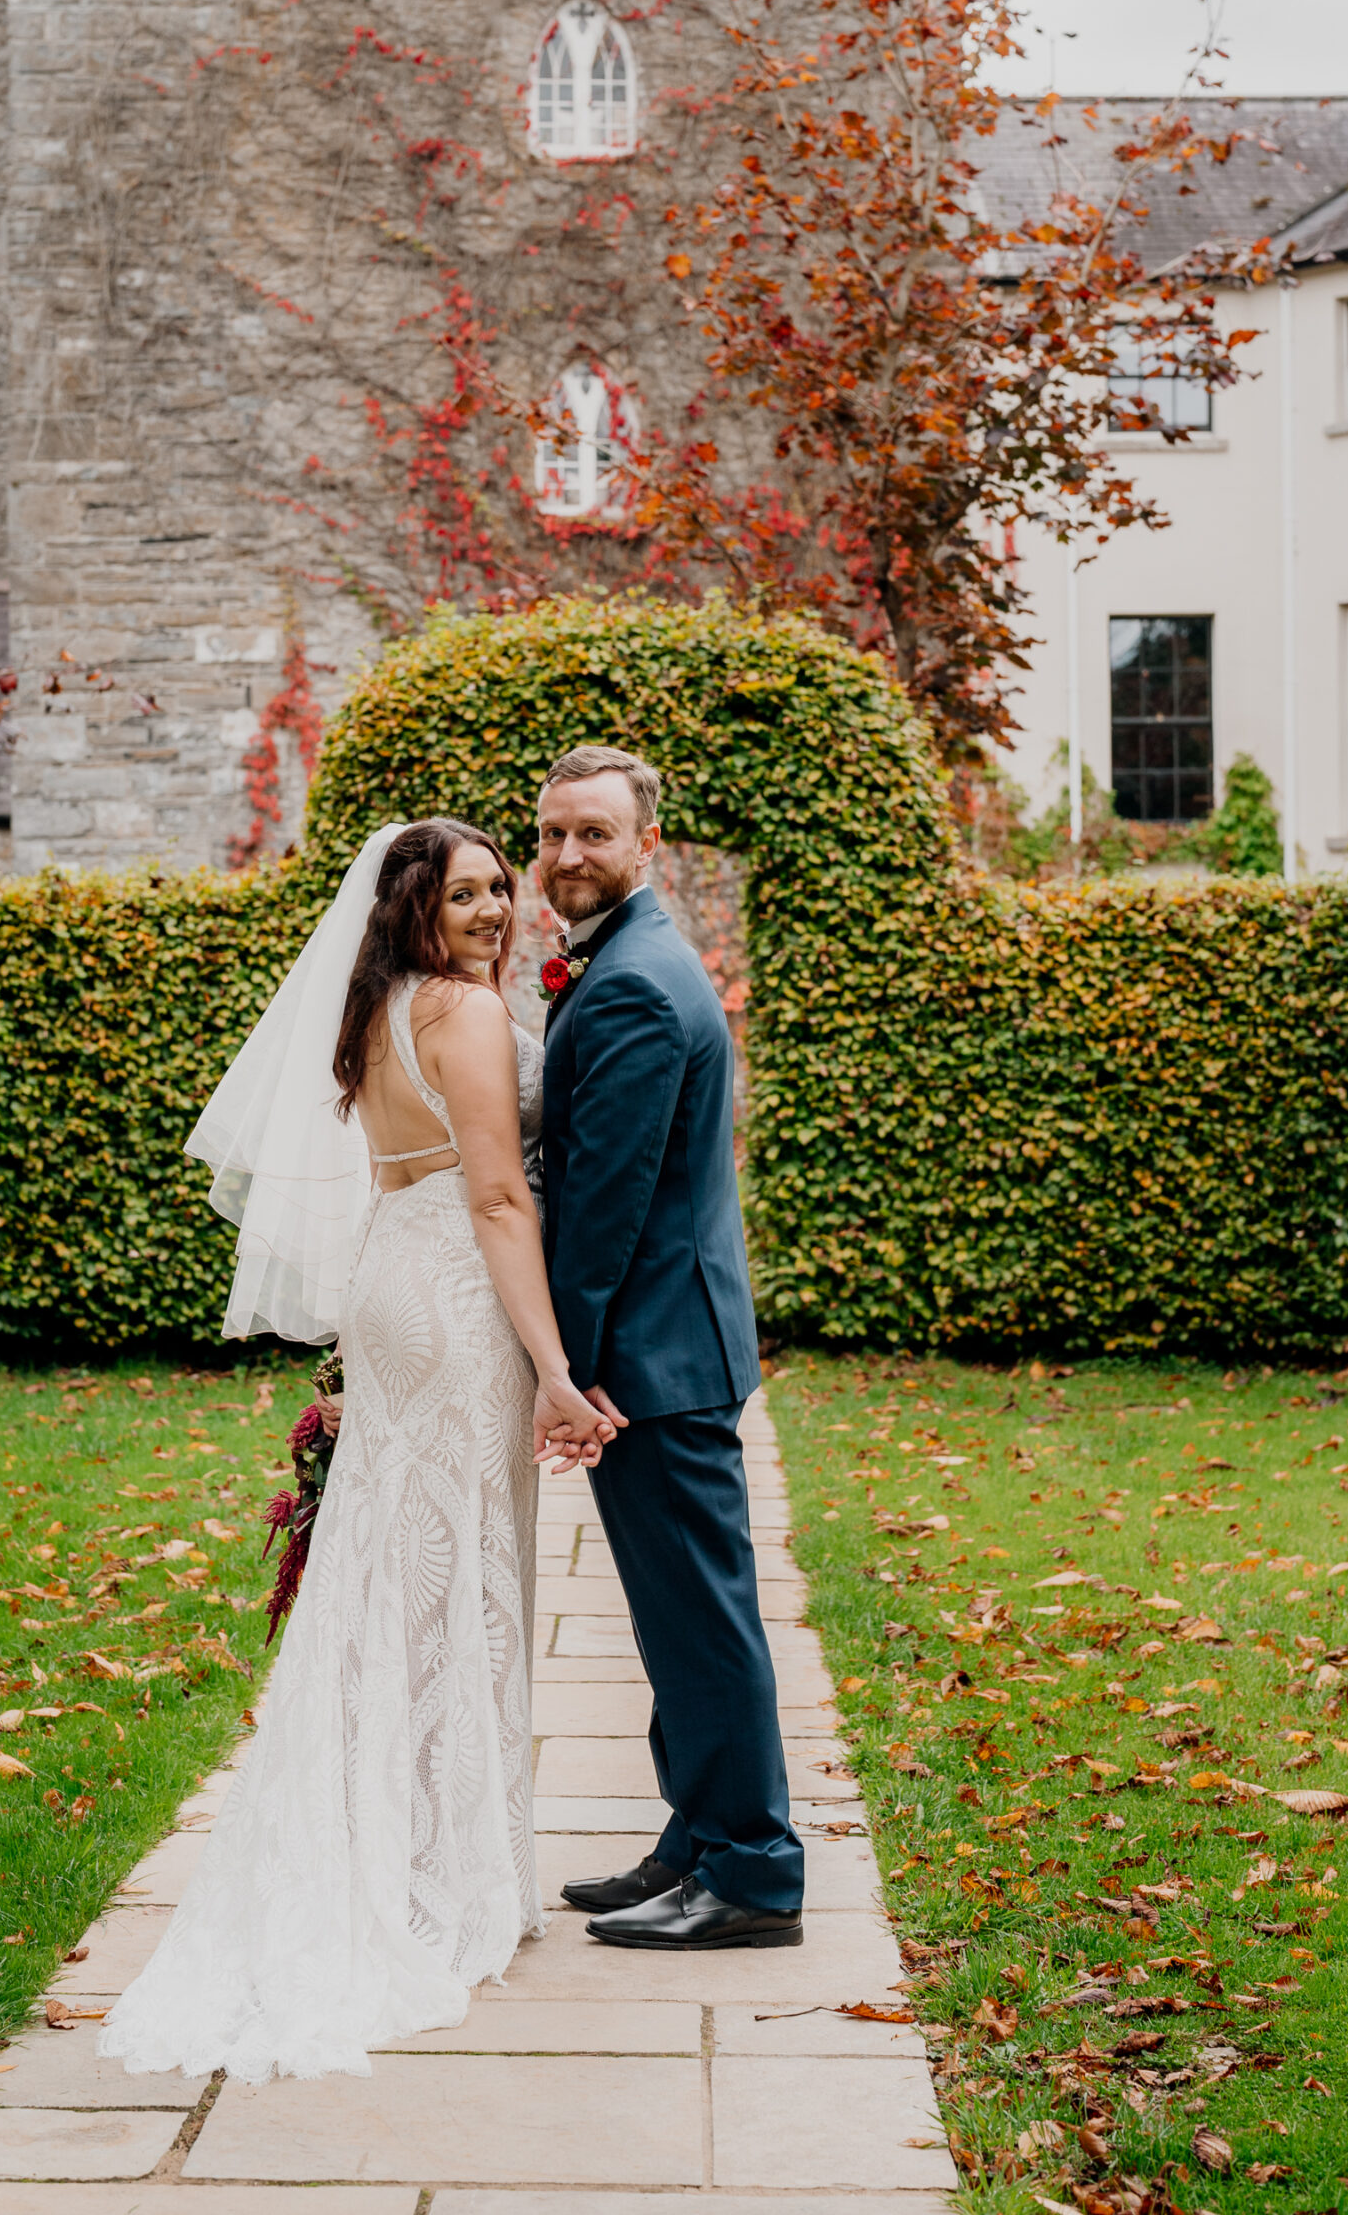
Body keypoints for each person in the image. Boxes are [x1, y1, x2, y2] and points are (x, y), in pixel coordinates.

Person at [98, 819, 616, 2084]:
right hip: (452, 1295)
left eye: (502, 888)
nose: (497, 909)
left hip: (395, 1278)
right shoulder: (468, 1015)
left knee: (394, 1564)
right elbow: (498, 1199)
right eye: (468, 894)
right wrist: (554, 1370)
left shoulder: (375, 1003)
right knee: (457, 1570)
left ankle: (388, 1830)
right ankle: (435, 1866)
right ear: (413, 908)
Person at [537, 745, 805, 1949]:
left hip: (650, 1358)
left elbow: (606, 1205)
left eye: (593, 832)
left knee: (701, 1618)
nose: (566, 855)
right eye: (551, 833)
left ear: (646, 844)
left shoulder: (639, 983)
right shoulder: (632, 961)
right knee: (676, 1615)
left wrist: (566, 1370)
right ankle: (696, 1838)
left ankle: (752, 1871)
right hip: (664, 1348)